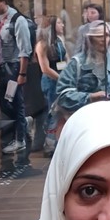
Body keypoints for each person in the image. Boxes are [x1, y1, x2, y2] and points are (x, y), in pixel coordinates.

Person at [0, 0, 33, 168]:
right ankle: (23, 125)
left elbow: (24, 49)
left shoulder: (17, 20)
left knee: (15, 102)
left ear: (3, 1)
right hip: (0, 67)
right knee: (5, 104)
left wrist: (22, 73)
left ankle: (19, 138)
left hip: (12, 67)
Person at [54, 20, 110, 117]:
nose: (104, 39)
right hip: (84, 117)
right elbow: (63, 96)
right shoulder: (77, 63)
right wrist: (90, 97)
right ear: (90, 38)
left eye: (106, 35)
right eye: (99, 36)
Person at [34, 15, 68, 153]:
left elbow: (66, 58)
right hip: (51, 81)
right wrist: (62, 78)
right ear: (52, 26)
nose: (62, 26)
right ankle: (50, 144)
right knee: (53, 112)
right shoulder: (42, 44)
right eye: (59, 23)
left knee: (61, 112)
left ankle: (59, 141)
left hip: (62, 79)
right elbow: (45, 69)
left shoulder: (59, 40)